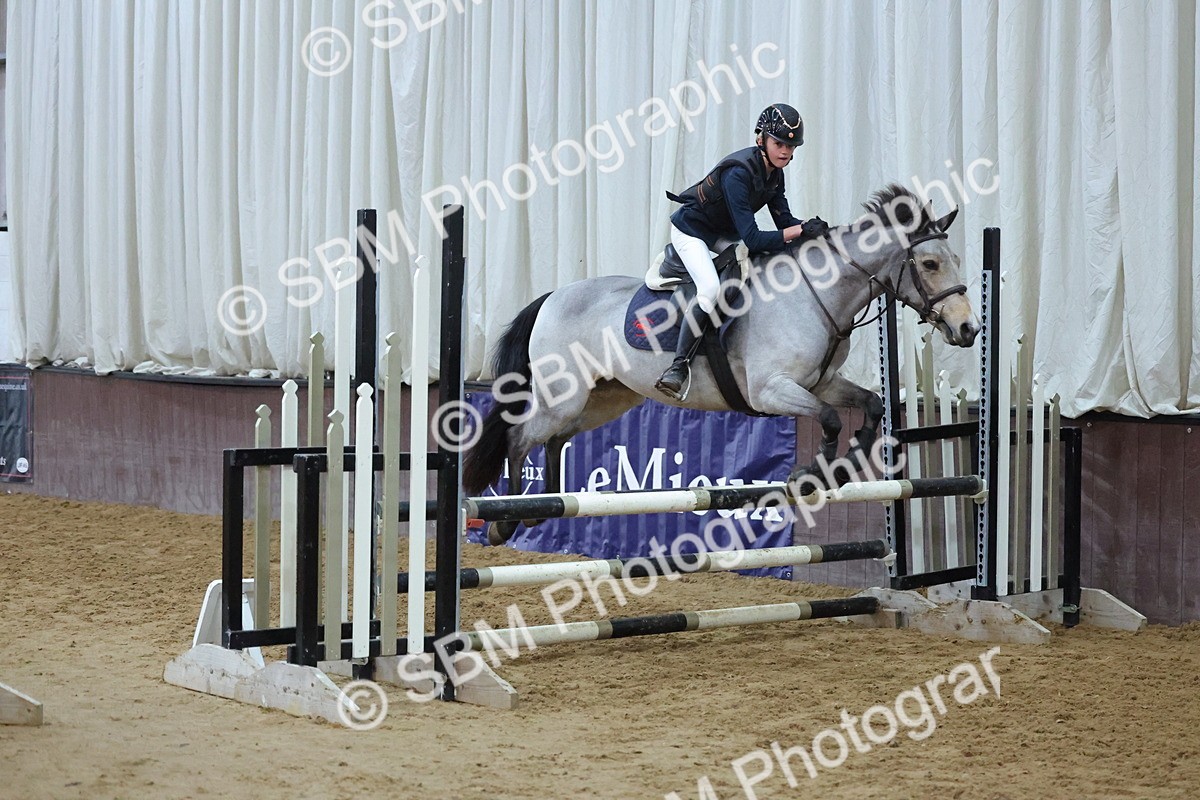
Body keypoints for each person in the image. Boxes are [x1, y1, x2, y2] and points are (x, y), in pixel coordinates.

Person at [655, 103, 812, 401]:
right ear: (761, 139)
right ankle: (678, 367)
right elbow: (752, 238)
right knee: (711, 288)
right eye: (779, 143)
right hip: (692, 232)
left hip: (721, 233)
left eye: (791, 146)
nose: (786, 152)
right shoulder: (738, 174)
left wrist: (811, 227)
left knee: (758, 270)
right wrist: (797, 232)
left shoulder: (774, 174)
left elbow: (785, 224)